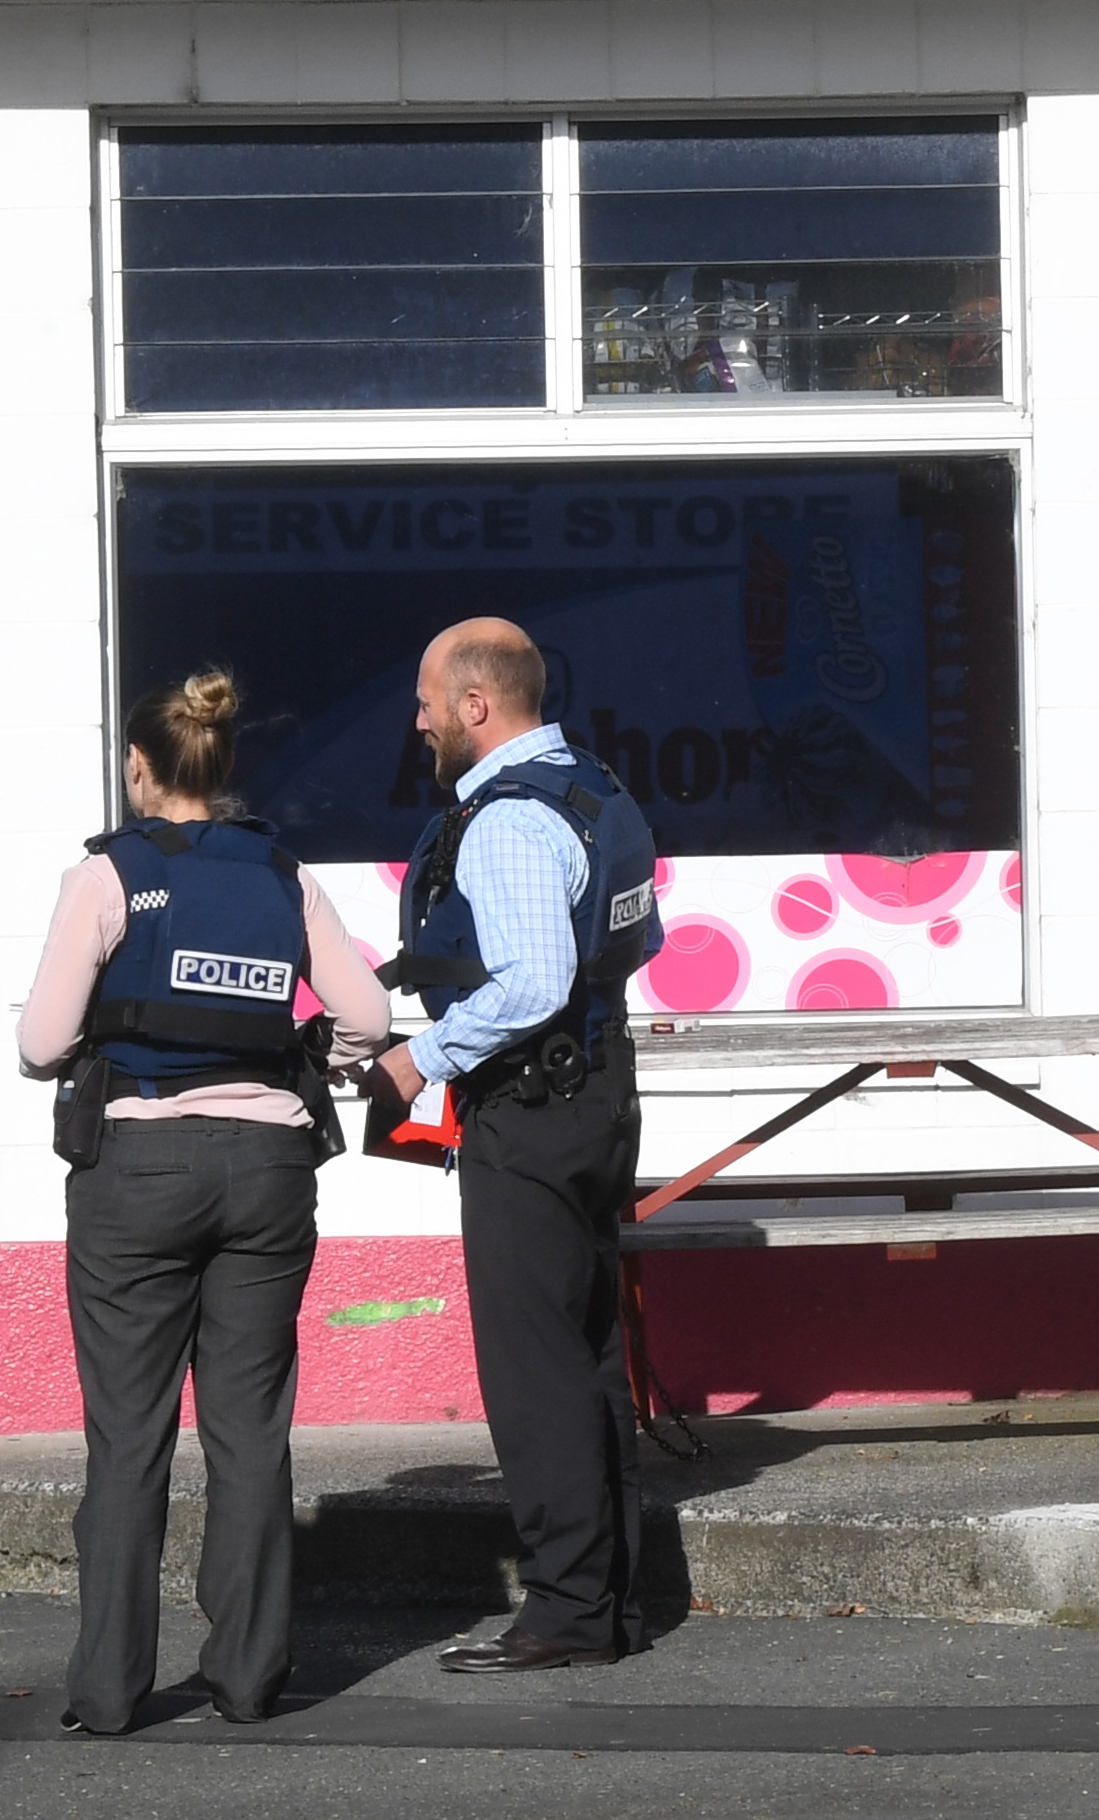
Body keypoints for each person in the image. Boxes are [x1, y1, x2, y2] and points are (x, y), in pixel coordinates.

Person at [17, 669, 390, 1734]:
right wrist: (315, 1045)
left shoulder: (108, 877)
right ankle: (245, 1679)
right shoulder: (282, 874)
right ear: (221, 767)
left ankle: (108, 1690)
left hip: (137, 1174)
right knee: (248, 1432)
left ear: (138, 767)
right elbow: (365, 1011)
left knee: (127, 1440)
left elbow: (42, 1043)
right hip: (267, 1175)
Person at [368, 618, 662, 1672]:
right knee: (585, 1361)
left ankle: (564, 1612)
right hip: (596, 1099)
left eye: (426, 700)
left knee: (535, 1374)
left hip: (533, 1118)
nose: (418, 719)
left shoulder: (502, 820)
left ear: (476, 706)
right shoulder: (592, 789)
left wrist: (420, 1060)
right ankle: (609, 1602)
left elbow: (532, 979)